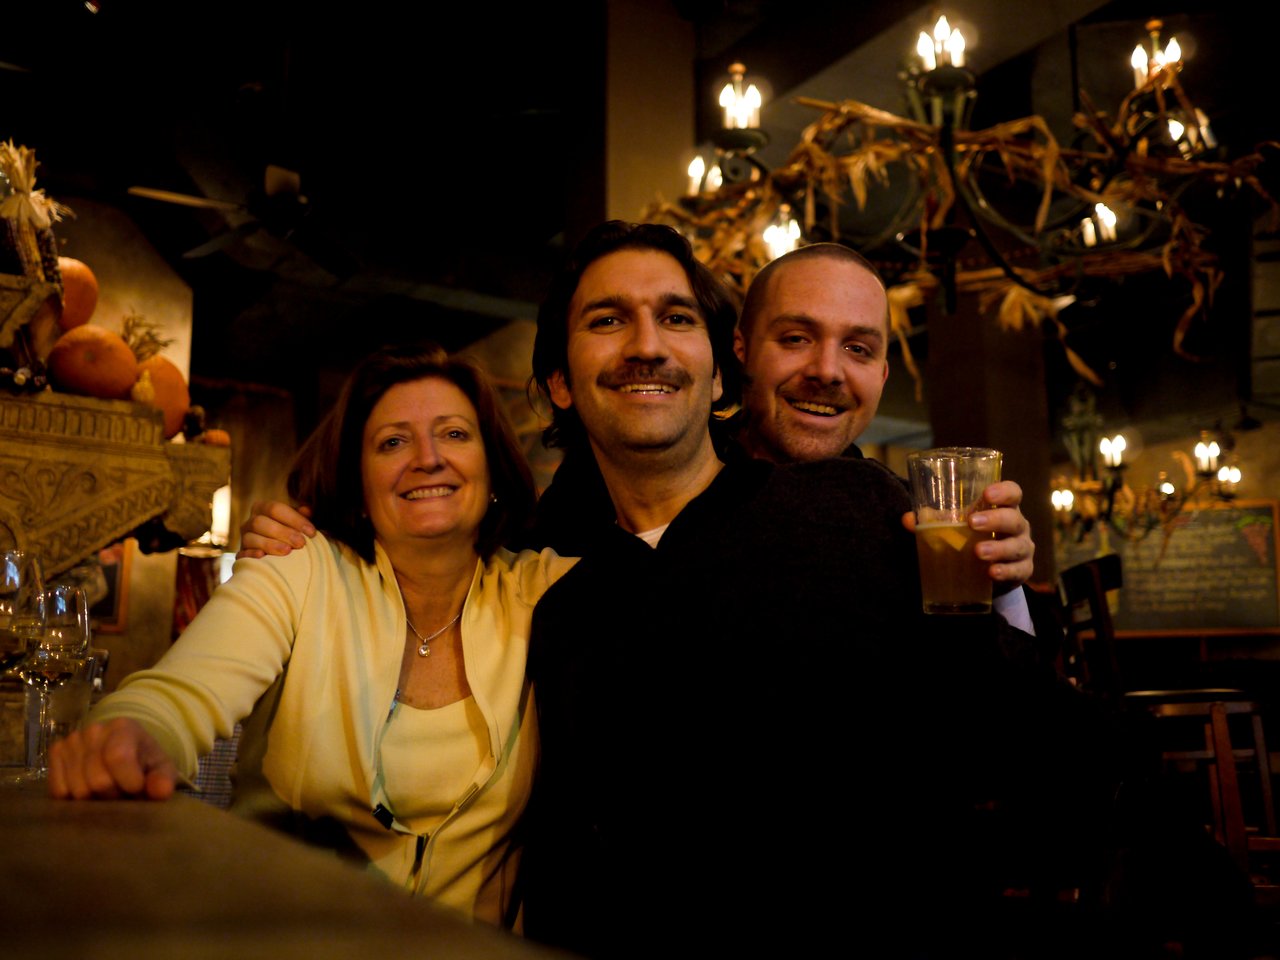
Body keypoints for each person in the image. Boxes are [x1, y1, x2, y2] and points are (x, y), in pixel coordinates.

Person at [47, 343, 577, 930]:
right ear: (358, 482)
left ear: (493, 467)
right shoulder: (299, 567)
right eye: (393, 442)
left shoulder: (545, 592)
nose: (427, 459)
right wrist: (131, 734)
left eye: (454, 434)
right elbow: (181, 692)